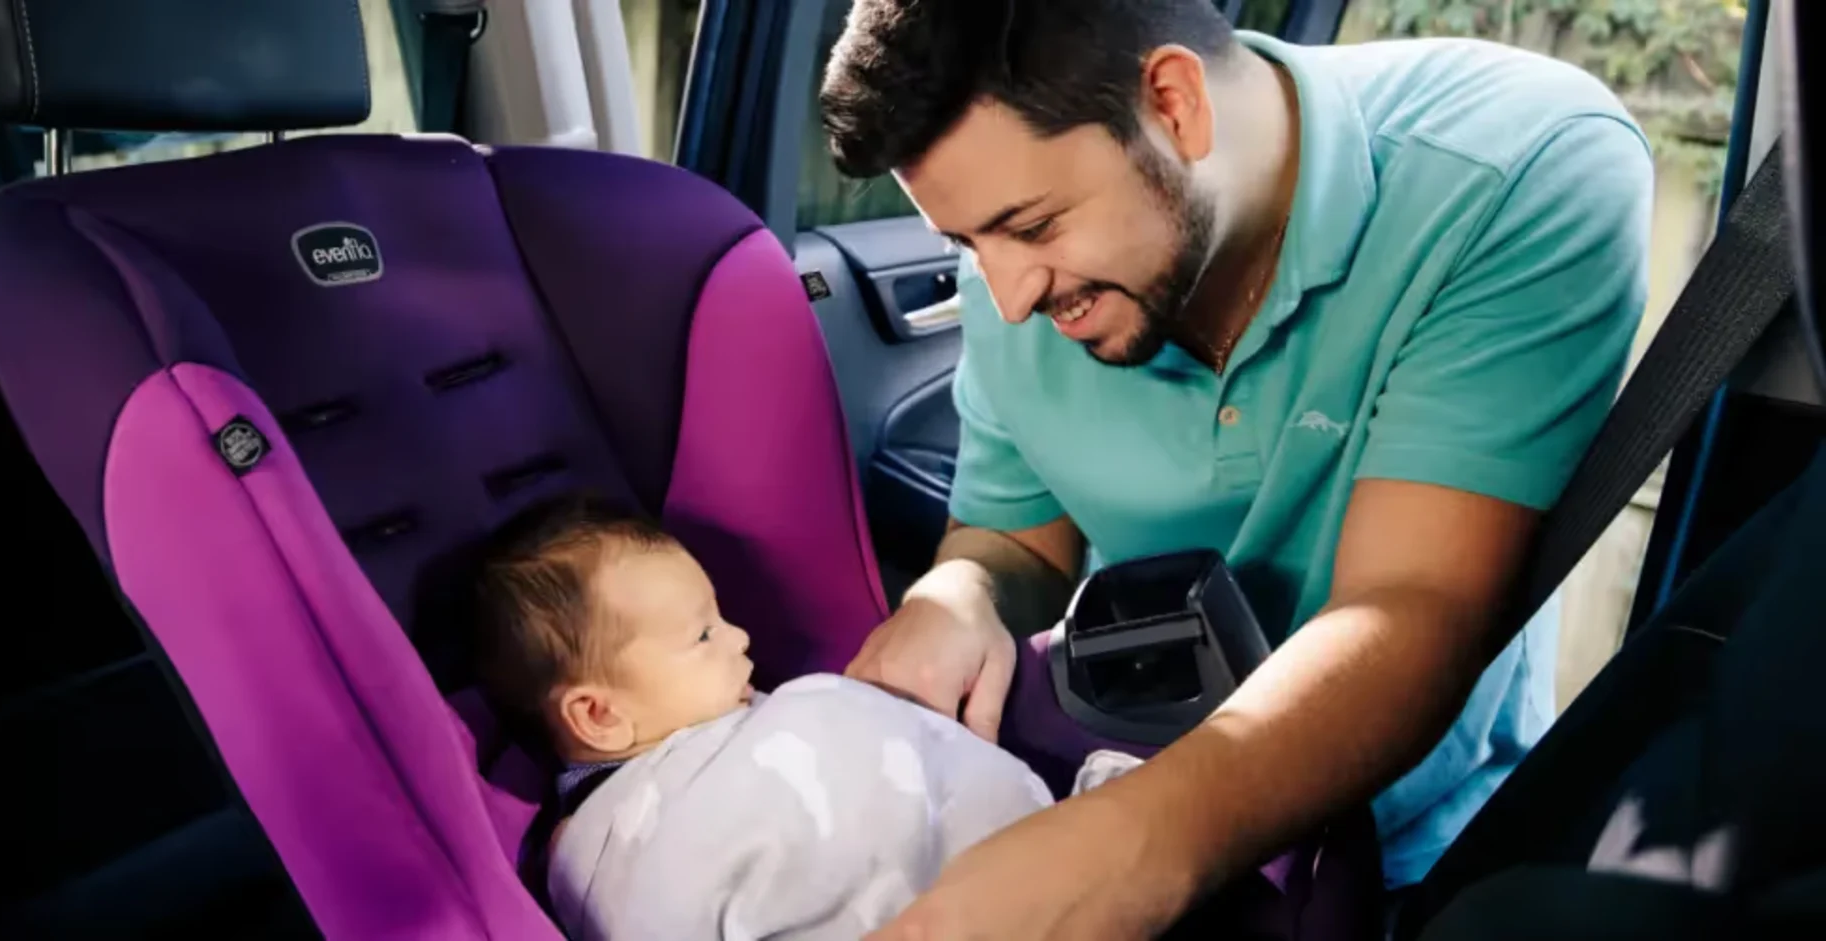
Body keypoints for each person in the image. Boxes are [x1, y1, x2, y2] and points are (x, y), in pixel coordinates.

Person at [820, 1, 1653, 937]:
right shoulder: (1012, 282)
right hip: (1113, 783)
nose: (1007, 300)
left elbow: (1410, 598)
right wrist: (961, 595)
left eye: (1035, 225)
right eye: (967, 244)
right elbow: (1012, 534)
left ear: (1174, 104)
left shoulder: (1519, 167)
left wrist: (1132, 849)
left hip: (1416, 857)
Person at [470, 496, 1135, 939]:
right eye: (703, 635)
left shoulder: (568, 861)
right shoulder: (594, 851)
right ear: (599, 715)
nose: (739, 639)